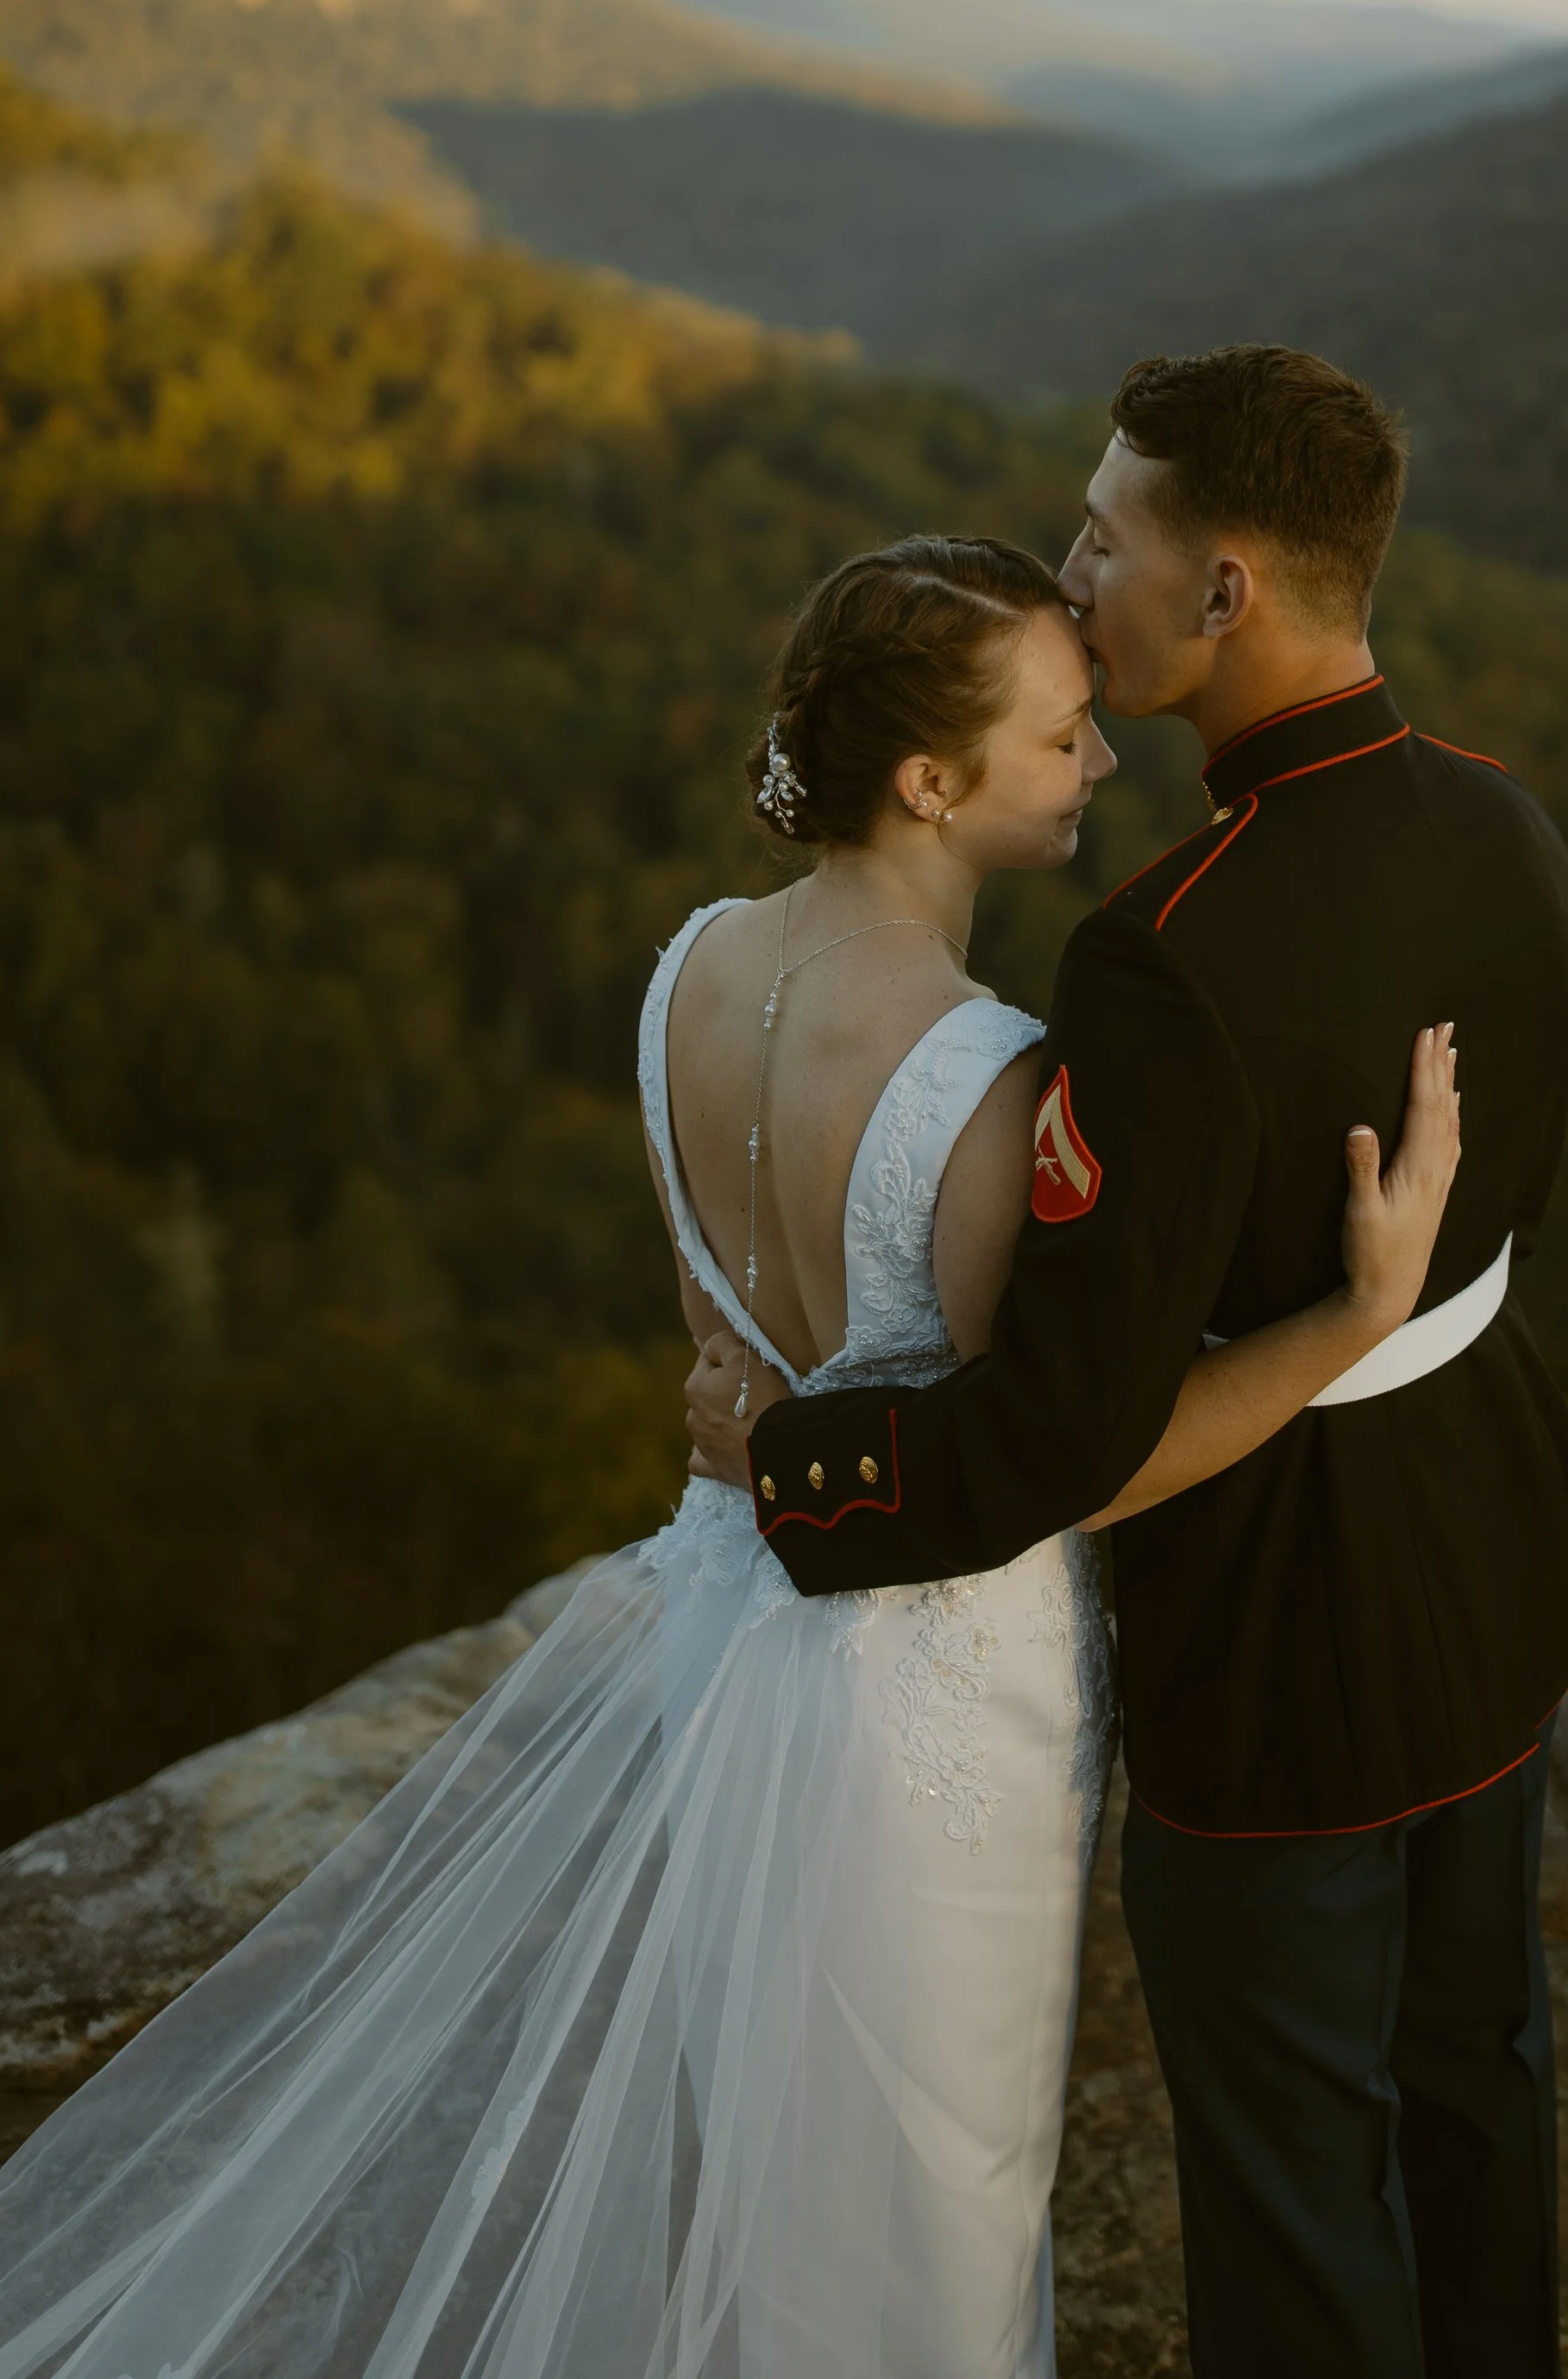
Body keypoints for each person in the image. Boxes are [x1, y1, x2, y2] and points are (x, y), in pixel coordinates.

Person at [0, 532, 1457, 2379]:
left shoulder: (688, 968)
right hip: (926, 1685)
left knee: (772, 2152)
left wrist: (772, 1434)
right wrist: (1348, 1319)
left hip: (719, 1621)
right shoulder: (991, 1079)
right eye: (1061, 735)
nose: (1099, 764)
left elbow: (737, 1346)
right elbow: (1061, 1459)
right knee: (931, 2193)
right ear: (929, 782)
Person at [695, 350, 1568, 2379]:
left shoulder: (1165, 960)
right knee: (1476, 2083)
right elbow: (1512, 1197)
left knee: (1298, 2172)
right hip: (1490, 1542)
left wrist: (804, 1467)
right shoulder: (1512, 828)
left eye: (1102, 539)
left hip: (1287, 1616)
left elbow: (1064, 1430)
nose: (1072, 573)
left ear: (1222, 591)